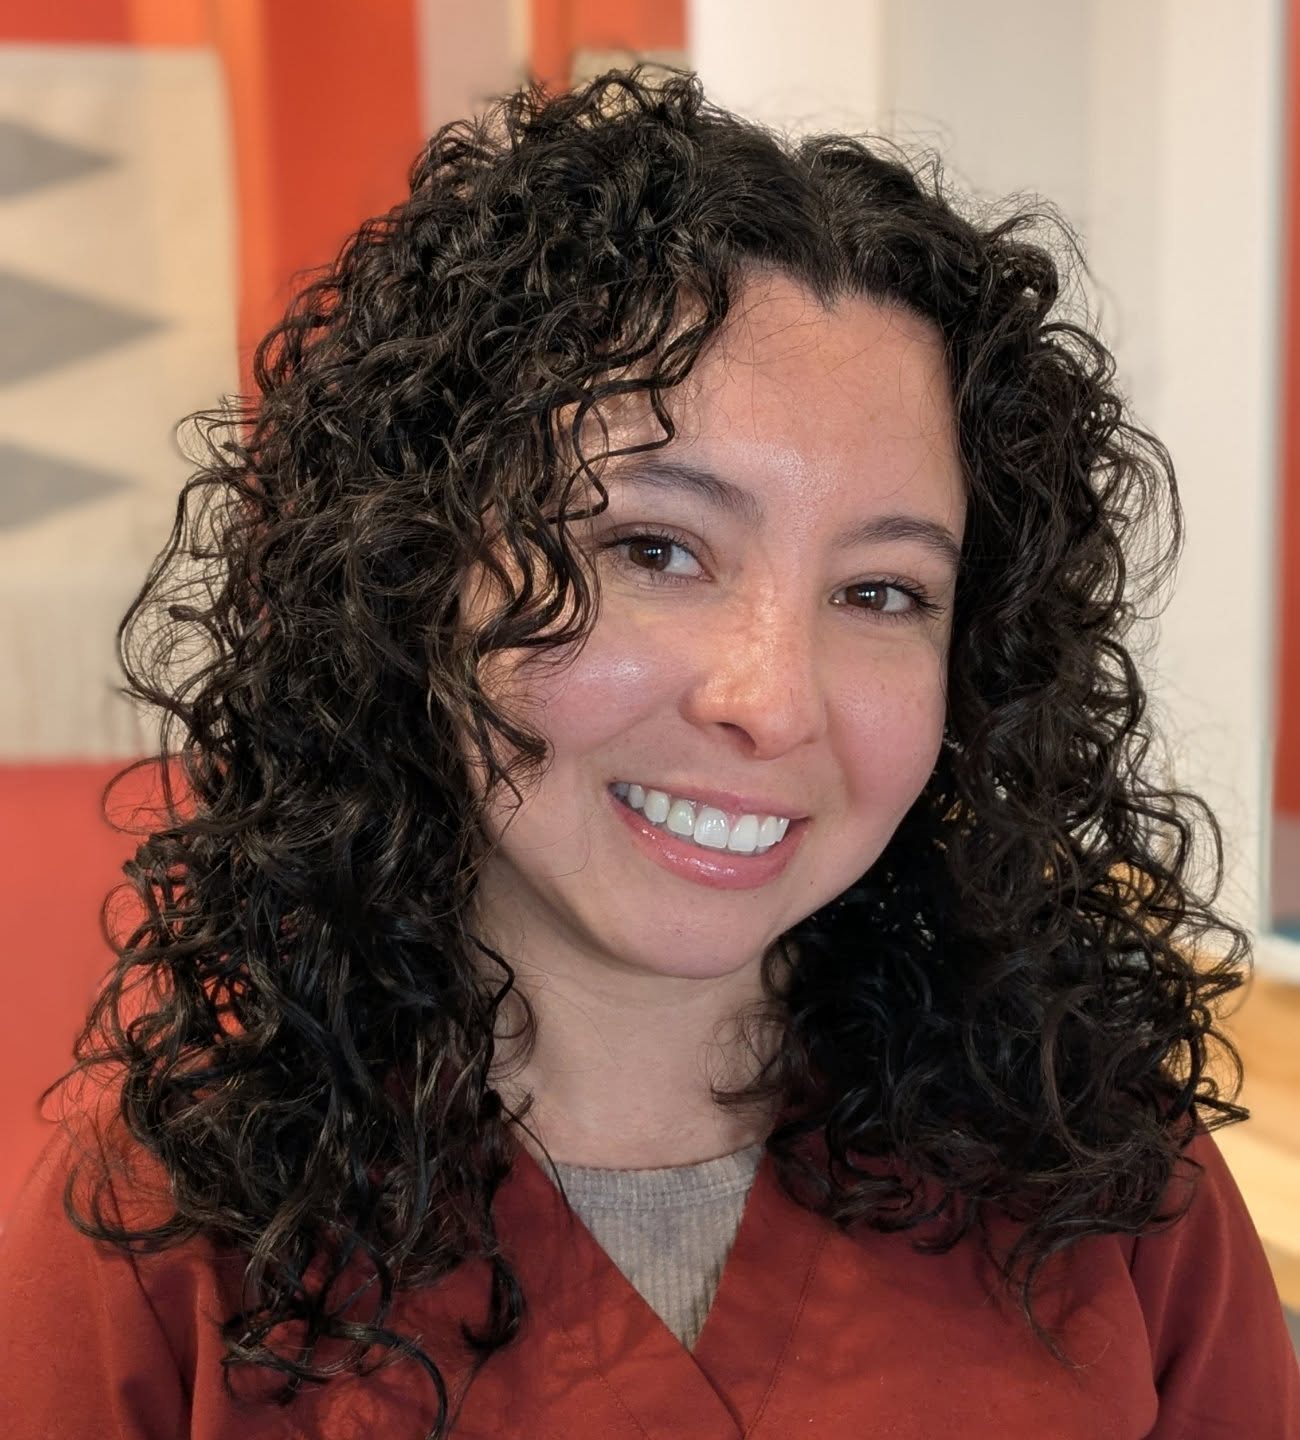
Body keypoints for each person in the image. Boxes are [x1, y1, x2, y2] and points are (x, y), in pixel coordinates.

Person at [0, 66, 1296, 1440]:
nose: (771, 698)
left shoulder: (1111, 1187)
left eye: (881, 593)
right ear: (412, 574)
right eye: (653, 548)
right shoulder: (162, 1235)